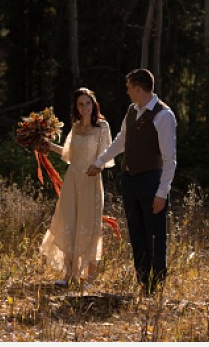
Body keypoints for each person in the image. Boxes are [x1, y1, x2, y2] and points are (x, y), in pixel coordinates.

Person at [87, 68, 177, 295]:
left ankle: (156, 284)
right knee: (136, 232)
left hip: (151, 181)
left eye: (128, 88)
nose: (127, 92)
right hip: (130, 180)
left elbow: (170, 159)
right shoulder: (132, 111)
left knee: (154, 234)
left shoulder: (163, 116)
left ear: (138, 88)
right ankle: (142, 280)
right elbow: (121, 141)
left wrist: (162, 192)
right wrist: (100, 161)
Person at [39, 87, 114, 286]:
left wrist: (97, 166)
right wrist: (48, 145)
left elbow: (106, 156)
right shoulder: (76, 126)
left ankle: (89, 279)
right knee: (69, 221)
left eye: (88, 103)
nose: (85, 107)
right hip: (72, 180)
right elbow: (68, 155)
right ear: (76, 107)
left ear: (94, 104)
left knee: (90, 225)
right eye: (81, 104)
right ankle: (69, 275)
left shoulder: (103, 127)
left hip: (91, 180)